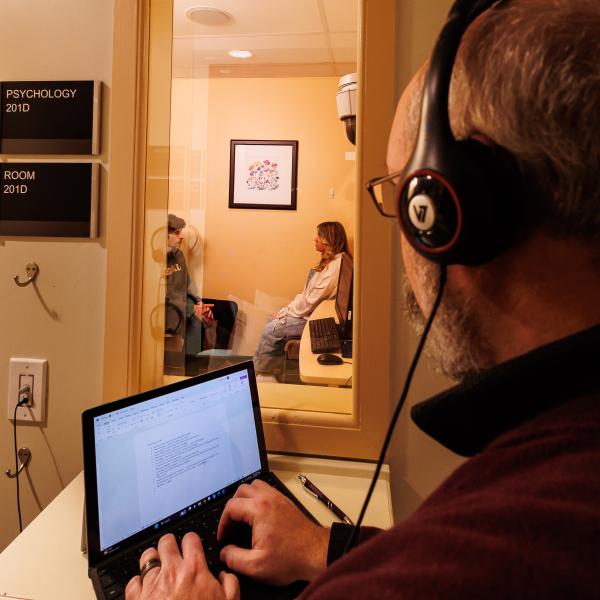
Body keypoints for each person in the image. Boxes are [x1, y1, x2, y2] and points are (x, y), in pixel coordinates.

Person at [126, 1, 600, 598]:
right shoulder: (553, 481)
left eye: (401, 194)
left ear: (449, 214)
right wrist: (325, 547)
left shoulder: (491, 547)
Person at [253, 221, 350, 380]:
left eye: (318, 236)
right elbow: (306, 296)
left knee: (270, 331)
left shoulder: (334, 268)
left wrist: (285, 312)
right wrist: (286, 310)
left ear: (328, 239)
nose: (315, 239)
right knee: (271, 320)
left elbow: (308, 303)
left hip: (309, 317)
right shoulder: (332, 262)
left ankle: (262, 375)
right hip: (307, 312)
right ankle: (269, 371)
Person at [165, 213, 214, 356]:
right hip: (168, 312)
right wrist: (192, 309)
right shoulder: (153, 261)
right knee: (196, 325)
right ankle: (188, 371)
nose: (181, 237)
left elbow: (185, 287)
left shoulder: (179, 256)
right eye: (177, 233)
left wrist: (199, 304)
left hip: (184, 307)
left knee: (217, 325)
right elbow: (164, 297)